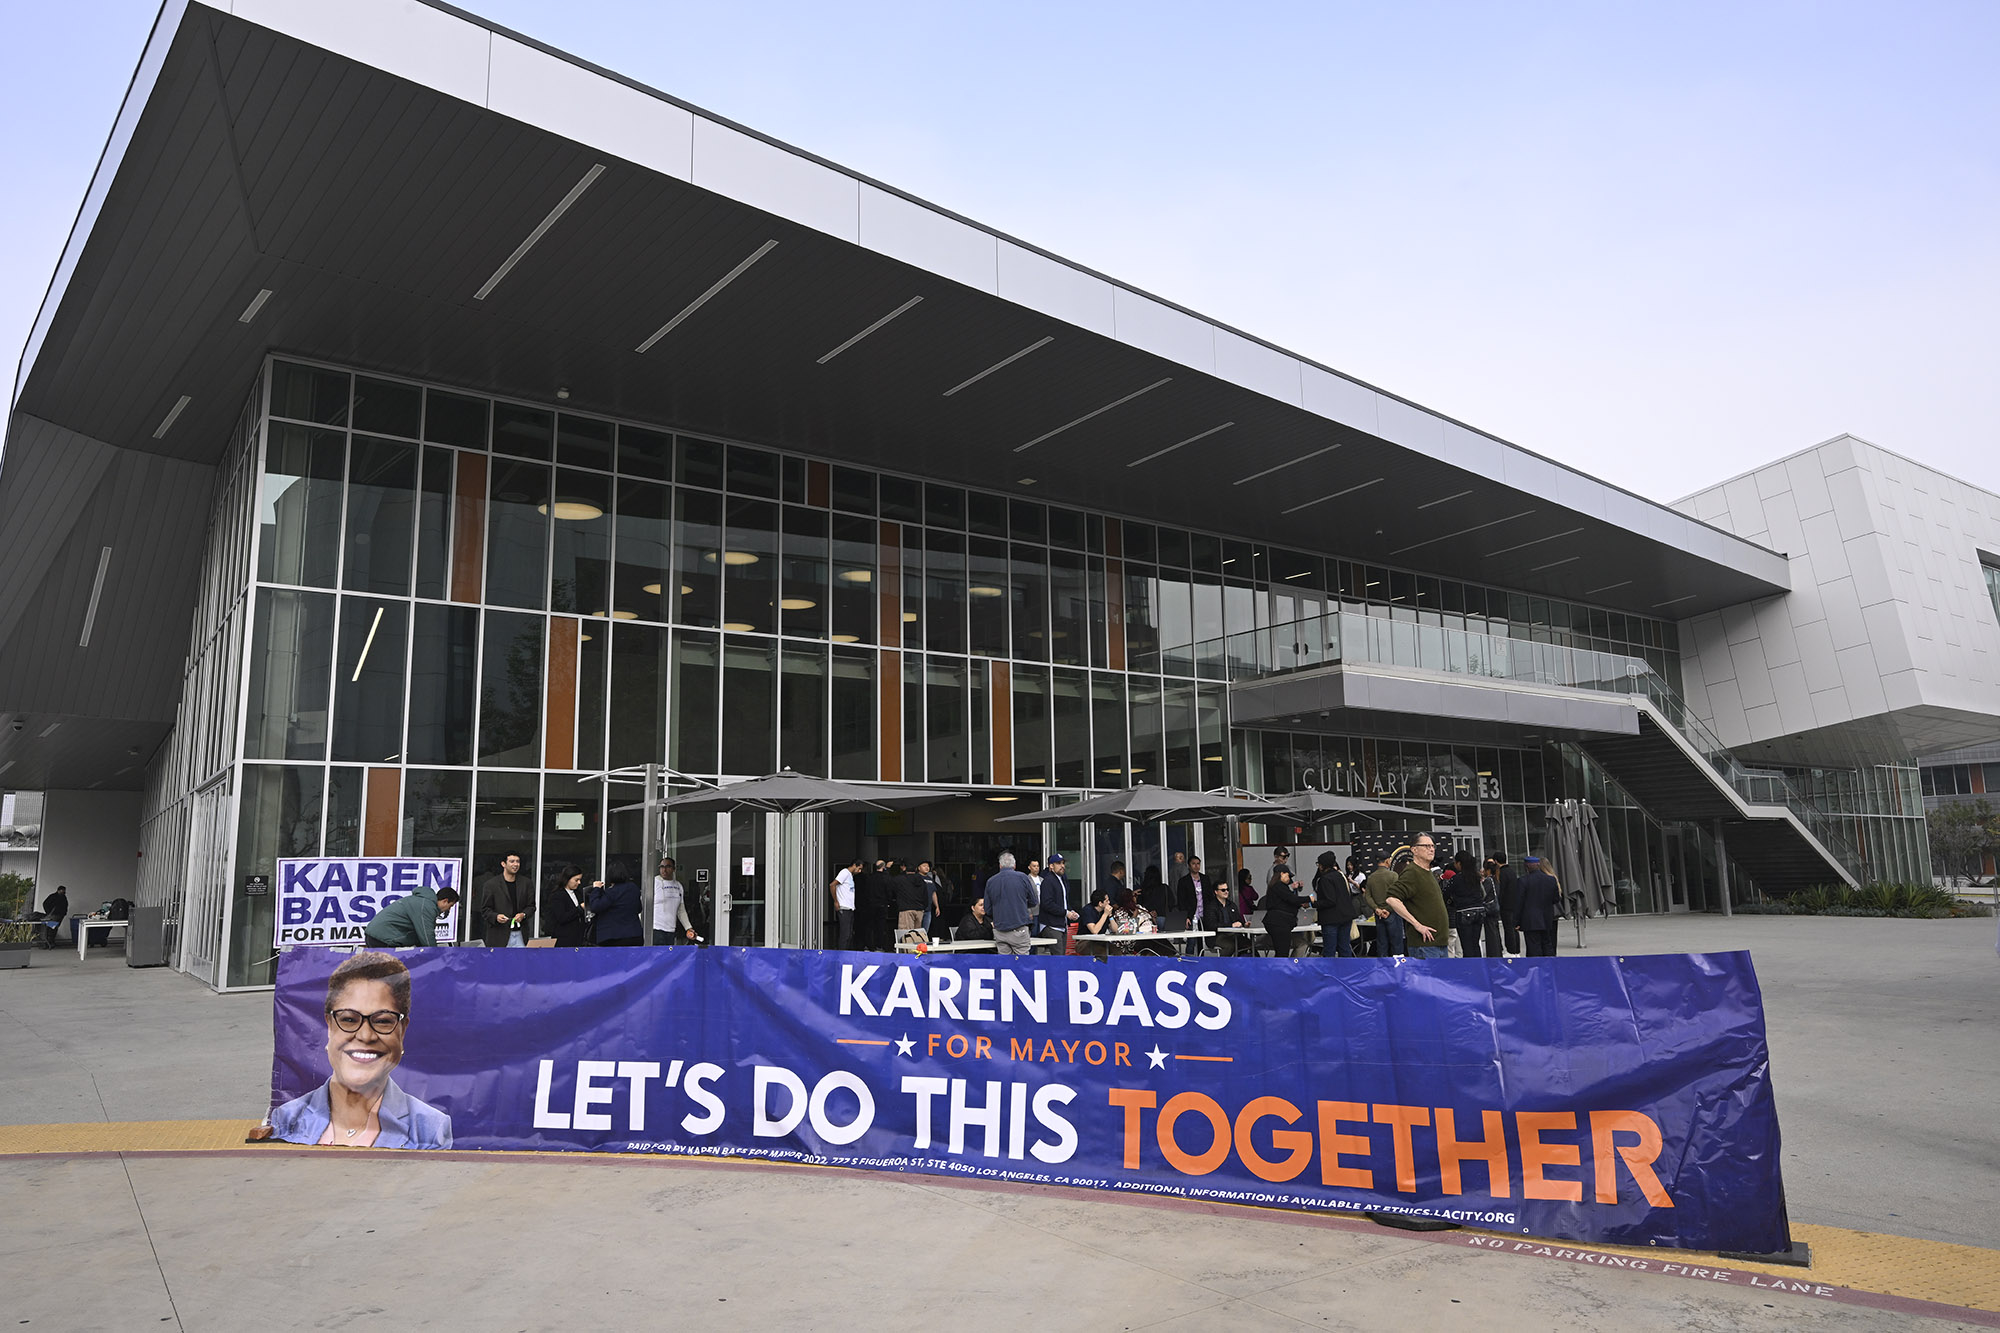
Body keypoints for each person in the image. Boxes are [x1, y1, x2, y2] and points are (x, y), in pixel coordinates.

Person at [267, 951, 453, 1149]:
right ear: (329, 1026)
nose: (365, 1036)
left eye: (382, 1021)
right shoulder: (286, 1117)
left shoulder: (430, 1128)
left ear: (402, 1030)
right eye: (348, 1019)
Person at [1387, 836, 1451, 959]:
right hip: (1424, 945)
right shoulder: (1412, 872)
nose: (1431, 849)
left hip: (1438, 943)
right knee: (1427, 979)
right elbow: (1392, 899)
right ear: (1414, 850)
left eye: (1433, 846)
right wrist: (1417, 924)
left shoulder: (1428, 872)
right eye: (1426, 846)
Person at [362, 883, 459, 949]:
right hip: (383, 939)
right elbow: (426, 935)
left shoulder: (422, 901)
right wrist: (436, 956)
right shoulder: (426, 906)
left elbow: (418, 935)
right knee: (390, 974)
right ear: (445, 901)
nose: (448, 910)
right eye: (450, 906)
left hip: (376, 935)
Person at [983, 851, 1037, 956]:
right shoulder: (1022, 877)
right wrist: (1020, 905)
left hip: (1000, 930)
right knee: (1022, 964)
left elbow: (988, 909)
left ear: (1000, 865)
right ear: (1014, 865)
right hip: (1019, 928)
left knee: (1005, 966)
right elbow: (1033, 901)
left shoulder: (991, 881)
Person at [475, 851, 531, 948]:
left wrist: (523, 914)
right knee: (500, 962)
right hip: (499, 934)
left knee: (521, 962)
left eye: (518, 861)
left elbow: (531, 906)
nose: (515, 864)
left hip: (520, 934)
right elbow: (485, 910)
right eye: (512, 861)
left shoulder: (526, 883)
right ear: (503, 864)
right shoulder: (491, 884)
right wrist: (496, 916)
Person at [587, 858, 642, 946]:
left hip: (613, 937)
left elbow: (595, 906)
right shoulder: (633, 888)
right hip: (635, 935)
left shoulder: (611, 892)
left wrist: (596, 889)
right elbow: (639, 908)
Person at [1517, 855, 1564, 957]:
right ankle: (1549, 967)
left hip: (1530, 920)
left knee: (1533, 947)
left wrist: (1516, 921)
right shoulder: (1551, 880)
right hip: (1547, 918)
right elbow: (1556, 899)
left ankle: (1536, 968)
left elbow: (1519, 902)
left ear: (1526, 867)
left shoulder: (1523, 881)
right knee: (1547, 944)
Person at [1445, 850, 1488, 958]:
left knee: (1467, 945)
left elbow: (1445, 894)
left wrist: (1451, 902)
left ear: (1459, 863)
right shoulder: (1476, 877)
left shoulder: (1456, 879)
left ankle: (1470, 970)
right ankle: (1479, 967)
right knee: (1475, 943)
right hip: (1479, 911)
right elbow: (1483, 894)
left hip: (1463, 912)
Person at [1312, 851, 1356, 959]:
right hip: (1345, 916)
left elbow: (1330, 900)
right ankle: (1347, 972)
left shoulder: (1325, 879)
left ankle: (1329, 973)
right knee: (1344, 947)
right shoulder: (1340, 876)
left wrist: (1314, 903)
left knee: (1329, 950)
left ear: (1322, 865)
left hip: (1331, 919)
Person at [538, 866, 592, 948]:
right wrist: (579, 908)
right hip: (564, 940)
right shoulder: (557, 895)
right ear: (567, 879)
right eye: (576, 880)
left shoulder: (578, 894)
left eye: (580, 880)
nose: (579, 882)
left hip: (579, 939)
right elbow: (562, 917)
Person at [1363, 855, 1404, 956]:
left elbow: (1367, 896)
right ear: (1387, 861)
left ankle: (1382, 968)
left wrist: (1377, 909)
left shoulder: (1371, 877)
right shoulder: (1393, 875)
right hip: (1393, 913)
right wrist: (1388, 909)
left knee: (1382, 944)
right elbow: (1398, 895)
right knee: (1396, 944)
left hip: (1379, 915)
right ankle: (1397, 969)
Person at [1262, 865, 1306, 957]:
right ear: (1282, 874)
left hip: (1277, 922)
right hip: (1280, 923)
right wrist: (1309, 899)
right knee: (1282, 952)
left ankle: (1283, 968)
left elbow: (1290, 900)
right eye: (1288, 876)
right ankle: (1282, 969)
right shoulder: (1279, 886)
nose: (1289, 879)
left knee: (1281, 951)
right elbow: (1292, 899)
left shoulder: (1274, 887)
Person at [652, 858, 697, 945]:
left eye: (668, 867)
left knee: (669, 956)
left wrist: (688, 928)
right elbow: (644, 906)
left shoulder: (678, 886)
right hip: (656, 929)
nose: (664, 870)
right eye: (661, 867)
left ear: (674, 869)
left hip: (671, 930)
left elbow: (681, 910)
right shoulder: (654, 883)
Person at [1035, 852, 1078, 941]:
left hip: (1062, 924)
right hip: (1052, 925)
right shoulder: (1048, 881)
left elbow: (1064, 901)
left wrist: (1071, 911)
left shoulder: (1062, 879)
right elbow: (1047, 904)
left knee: (1062, 954)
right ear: (1051, 866)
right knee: (1058, 954)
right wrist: (1066, 913)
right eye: (1058, 863)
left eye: (1063, 863)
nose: (1062, 866)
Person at [1200, 879, 1246, 954]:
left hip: (1233, 935)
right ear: (1216, 892)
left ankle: (1251, 964)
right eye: (1223, 890)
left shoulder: (1231, 905)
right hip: (1217, 936)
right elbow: (1211, 925)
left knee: (1249, 944)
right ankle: (1223, 965)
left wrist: (1244, 924)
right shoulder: (1211, 906)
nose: (1226, 892)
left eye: (1227, 889)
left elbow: (1239, 919)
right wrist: (1231, 925)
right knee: (1230, 946)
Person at [1495, 851, 1524, 956]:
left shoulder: (1502, 873)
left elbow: (1501, 890)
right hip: (1514, 904)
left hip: (1506, 905)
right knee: (1514, 928)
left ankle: (1510, 950)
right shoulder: (1512, 871)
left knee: (1508, 928)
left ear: (1496, 861)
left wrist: (1499, 902)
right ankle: (1516, 950)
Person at [892, 863, 928, 946]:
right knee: (917, 935)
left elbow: (891, 886)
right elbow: (925, 895)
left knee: (907, 934)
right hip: (919, 910)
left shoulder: (900, 879)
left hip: (906, 909)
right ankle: (918, 952)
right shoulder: (921, 880)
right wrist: (923, 907)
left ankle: (908, 954)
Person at [830, 857, 859, 951]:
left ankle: (847, 953)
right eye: (859, 868)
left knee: (850, 934)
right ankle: (841, 954)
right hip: (844, 907)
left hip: (850, 908)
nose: (859, 871)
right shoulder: (844, 873)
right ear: (854, 865)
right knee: (845, 934)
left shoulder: (850, 875)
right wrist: (836, 901)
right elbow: (832, 885)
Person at [916, 859, 950, 936]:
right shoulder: (916, 878)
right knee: (917, 930)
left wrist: (937, 906)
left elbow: (933, 893)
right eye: (924, 866)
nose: (926, 868)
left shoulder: (930, 879)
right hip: (918, 908)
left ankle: (923, 945)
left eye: (928, 866)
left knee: (925, 931)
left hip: (928, 909)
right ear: (919, 868)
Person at [1172, 855, 1208, 923]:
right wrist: (1186, 917)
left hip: (1205, 914)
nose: (1196, 866)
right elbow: (1181, 901)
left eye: (1198, 864)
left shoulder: (1205, 879)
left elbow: (1209, 897)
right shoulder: (1183, 881)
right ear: (1189, 866)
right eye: (1193, 864)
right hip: (1191, 915)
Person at [37, 885, 68, 949]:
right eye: (62, 891)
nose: (64, 892)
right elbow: (45, 903)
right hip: (53, 915)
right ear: (58, 890)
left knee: (54, 928)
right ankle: (48, 942)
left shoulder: (63, 897)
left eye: (64, 891)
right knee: (51, 928)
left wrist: (64, 913)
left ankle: (51, 942)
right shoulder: (53, 896)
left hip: (59, 915)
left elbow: (65, 905)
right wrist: (48, 912)